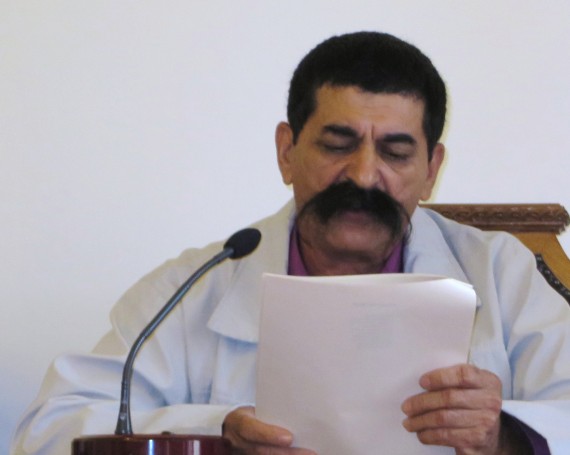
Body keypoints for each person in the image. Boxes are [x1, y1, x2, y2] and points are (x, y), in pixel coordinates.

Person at [11, 31, 570, 455]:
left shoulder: (505, 276)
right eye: (337, 144)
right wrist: (216, 430)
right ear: (287, 150)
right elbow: (49, 430)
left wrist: (505, 434)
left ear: (431, 170)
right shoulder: (196, 286)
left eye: (396, 153)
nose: (363, 175)